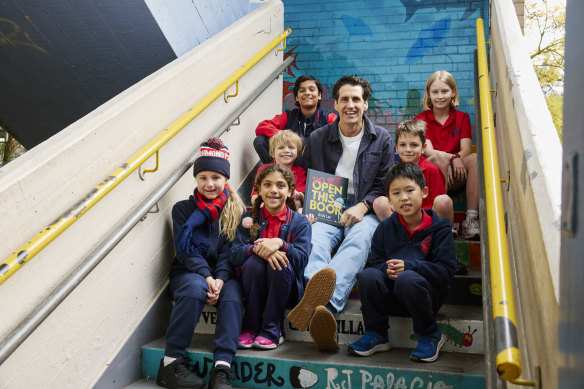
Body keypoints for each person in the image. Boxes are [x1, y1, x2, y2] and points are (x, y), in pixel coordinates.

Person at [289, 75, 394, 350]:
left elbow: (385, 183)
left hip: (364, 206)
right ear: (334, 103)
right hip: (327, 206)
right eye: (344, 99)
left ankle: (321, 306)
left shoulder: (381, 138)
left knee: (359, 242)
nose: (350, 105)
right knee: (313, 239)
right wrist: (309, 204)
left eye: (356, 99)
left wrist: (364, 205)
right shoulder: (318, 137)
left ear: (365, 104)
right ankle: (320, 309)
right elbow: (312, 176)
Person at [156, 137, 245, 389]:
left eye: (216, 178)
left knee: (232, 294)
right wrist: (207, 277)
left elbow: (231, 250)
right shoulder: (182, 210)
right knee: (195, 288)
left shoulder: (235, 211)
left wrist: (220, 279)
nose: (209, 184)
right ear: (195, 179)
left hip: (223, 274)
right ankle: (171, 363)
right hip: (189, 272)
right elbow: (186, 252)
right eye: (203, 177)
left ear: (226, 180)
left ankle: (222, 368)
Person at [348, 162, 457, 363]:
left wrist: (411, 266)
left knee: (407, 278)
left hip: (425, 298)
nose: (404, 198)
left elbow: (446, 271)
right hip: (392, 297)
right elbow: (377, 261)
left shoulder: (439, 228)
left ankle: (431, 334)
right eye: (396, 194)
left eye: (409, 190)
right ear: (389, 201)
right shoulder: (385, 227)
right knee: (368, 275)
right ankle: (377, 334)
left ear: (424, 192)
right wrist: (387, 270)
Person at [231, 164, 311, 350]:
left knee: (279, 263)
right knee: (253, 263)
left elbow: (301, 260)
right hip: (252, 285)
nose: (273, 190)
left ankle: (272, 327)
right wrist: (256, 249)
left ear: (291, 190)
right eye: (267, 185)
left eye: (280, 185)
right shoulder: (248, 219)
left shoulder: (300, 222)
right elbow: (234, 255)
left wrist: (281, 244)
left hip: (285, 288)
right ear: (258, 189)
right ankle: (250, 325)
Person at [414, 70, 480, 240]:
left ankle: (471, 219)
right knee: (440, 158)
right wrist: (452, 158)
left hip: (456, 172)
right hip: (430, 175)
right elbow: (428, 150)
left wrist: (455, 160)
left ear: (453, 93)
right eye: (435, 92)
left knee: (475, 158)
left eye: (444, 91)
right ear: (429, 94)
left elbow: (465, 149)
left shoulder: (462, 117)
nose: (440, 96)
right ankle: (444, 223)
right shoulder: (421, 119)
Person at [373, 119, 453, 225]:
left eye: (414, 145)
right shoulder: (395, 172)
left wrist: (415, 214)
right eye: (402, 145)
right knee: (380, 202)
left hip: (427, 219)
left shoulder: (431, 170)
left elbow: (437, 204)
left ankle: (443, 233)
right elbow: (392, 200)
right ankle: (396, 235)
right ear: (396, 148)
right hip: (403, 219)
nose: (408, 149)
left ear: (423, 148)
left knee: (443, 200)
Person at [253, 74, 337, 164]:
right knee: (260, 141)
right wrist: (287, 138)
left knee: (307, 142)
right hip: (289, 162)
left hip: (316, 166)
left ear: (319, 95)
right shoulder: (288, 116)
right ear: (297, 97)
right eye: (302, 90)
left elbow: (343, 131)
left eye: (311, 89)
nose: (307, 93)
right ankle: (276, 172)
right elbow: (262, 126)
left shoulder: (328, 118)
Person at [250, 130, 307, 212]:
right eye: (281, 147)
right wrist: (259, 205)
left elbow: (302, 197)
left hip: (291, 211)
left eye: (291, 147)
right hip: (268, 209)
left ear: (297, 152)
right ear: (272, 152)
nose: (286, 150)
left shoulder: (300, 171)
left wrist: (298, 195)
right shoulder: (264, 169)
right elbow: (255, 196)